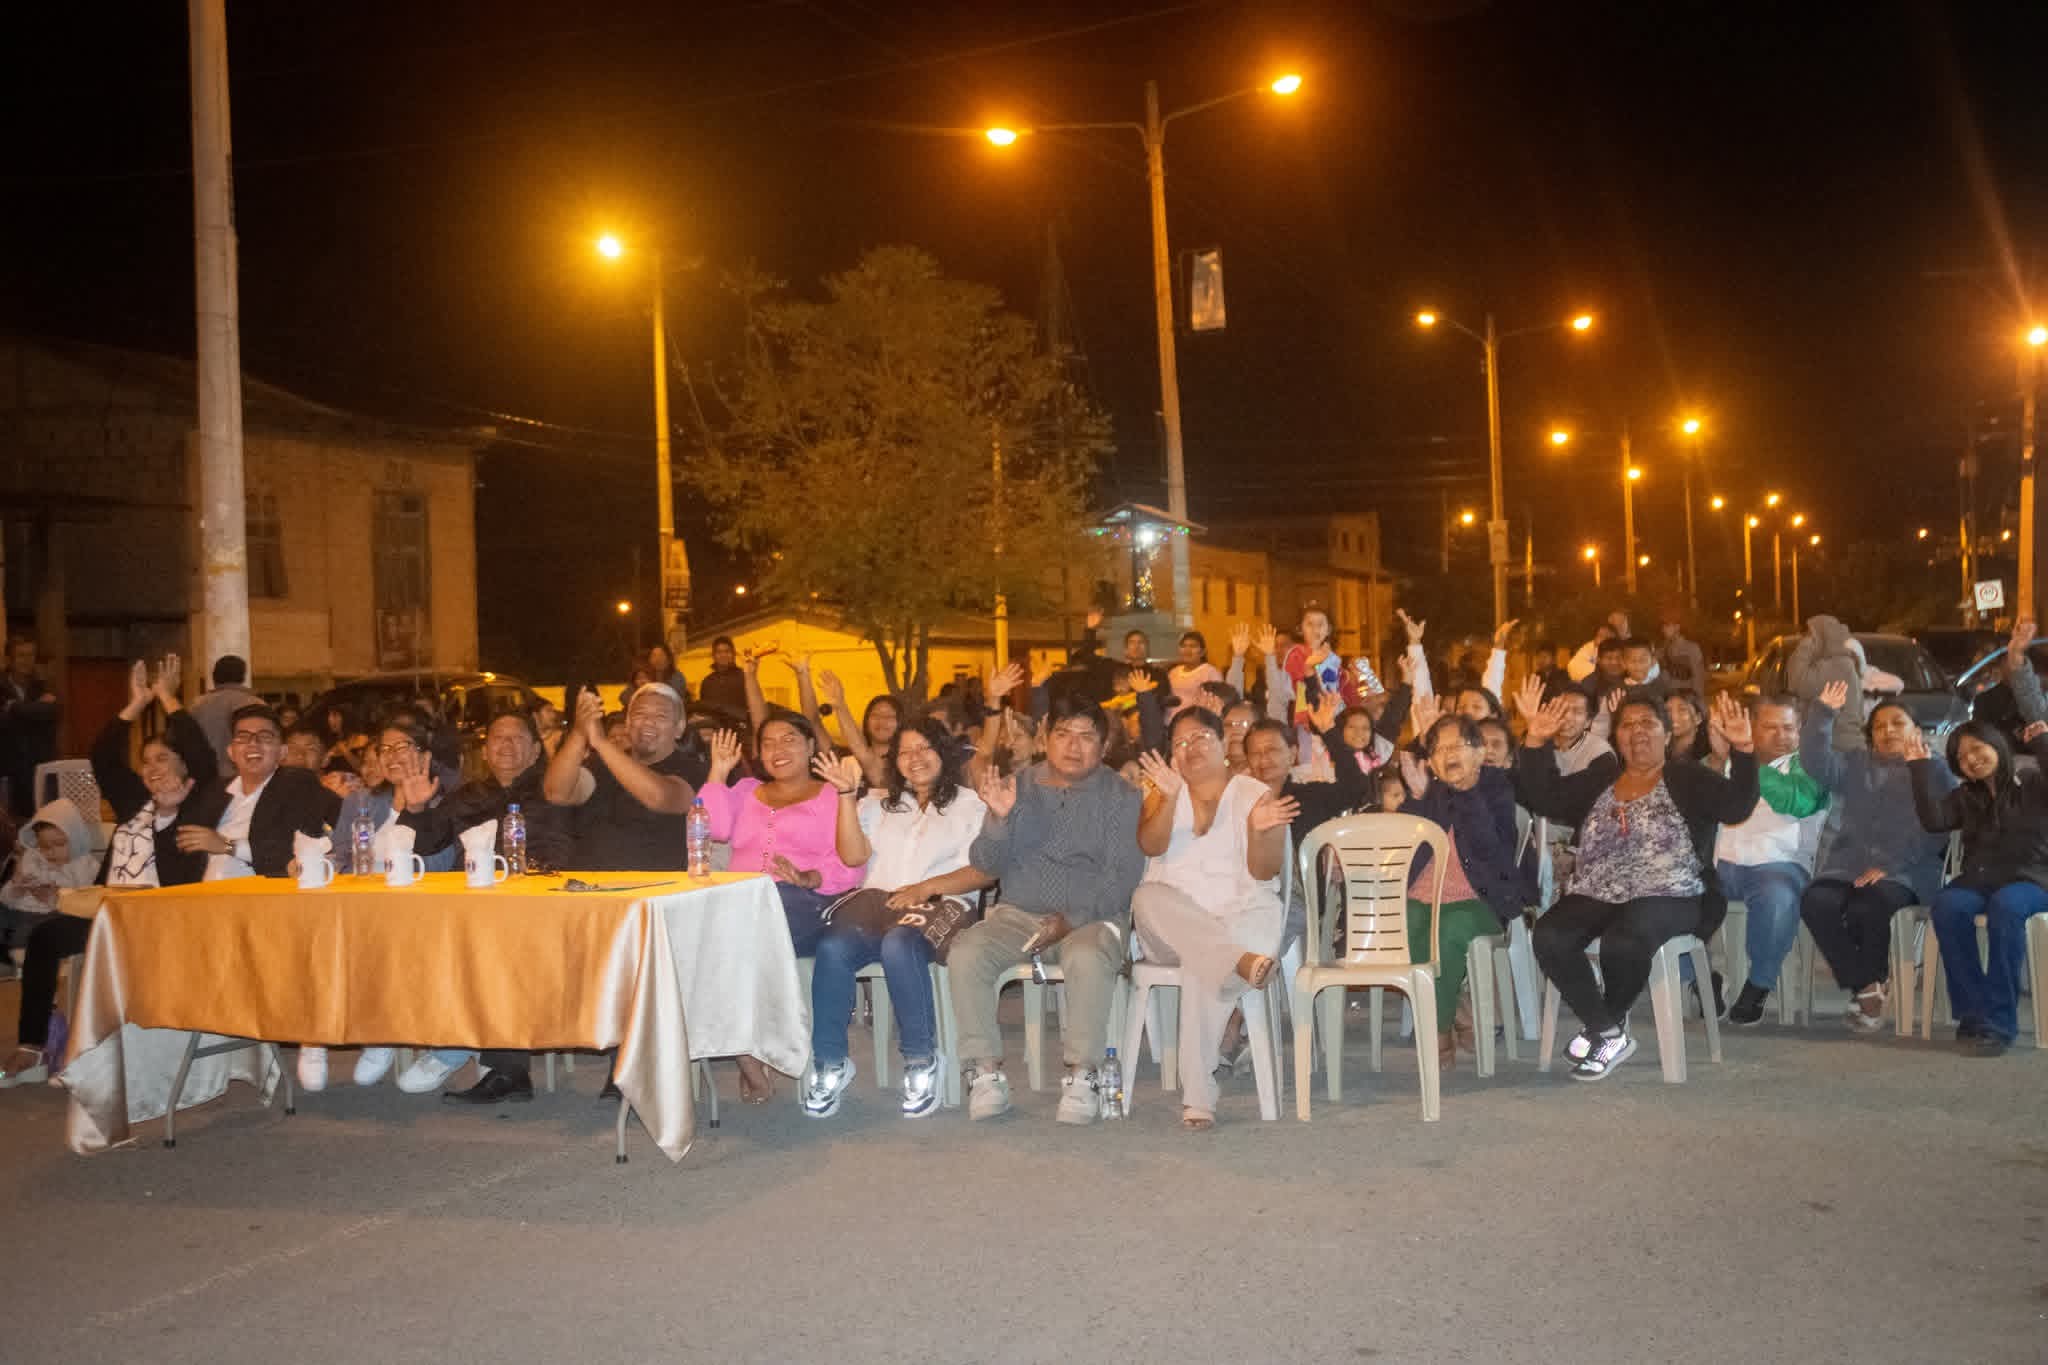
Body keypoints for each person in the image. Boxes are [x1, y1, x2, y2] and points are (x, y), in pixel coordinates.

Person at [450, 682, 706, 1105]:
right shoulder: (604, 764)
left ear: (679, 727)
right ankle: (508, 1069)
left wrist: (601, 743)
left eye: (659, 716)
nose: (646, 723)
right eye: (639, 714)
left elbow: (660, 797)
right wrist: (580, 733)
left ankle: (626, 1068)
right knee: (509, 947)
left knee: (625, 953)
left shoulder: (690, 766)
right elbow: (557, 791)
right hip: (583, 894)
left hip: (652, 899)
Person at [1517, 689, 1757, 1080]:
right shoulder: (1602, 778)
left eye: (1648, 722)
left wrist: (1744, 751)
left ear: (1667, 733)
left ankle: (1604, 1028)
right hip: (1599, 890)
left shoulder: (1686, 776)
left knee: (1624, 940)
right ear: (1616, 737)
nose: (1637, 731)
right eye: (1627, 724)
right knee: (1549, 934)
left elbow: (1736, 807)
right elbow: (1545, 797)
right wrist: (1535, 741)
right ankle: (1608, 1031)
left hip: (1672, 891)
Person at [2, 657, 216, 1088]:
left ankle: (95, 1055)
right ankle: (33, 1046)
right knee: (46, 937)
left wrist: (168, 698)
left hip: (157, 916)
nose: (152, 768)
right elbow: (102, 756)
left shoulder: (197, 802)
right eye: (146, 761)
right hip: (106, 908)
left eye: (163, 759)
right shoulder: (135, 801)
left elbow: (202, 756)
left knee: (101, 948)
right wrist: (135, 704)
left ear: (184, 768)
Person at [951, 692, 1144, 1125]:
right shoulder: (1017, 785)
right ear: (1045, 738)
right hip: (1020, 915)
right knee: (967, 952)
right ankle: (984, 1072)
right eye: (1063, 734)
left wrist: (1071, 920)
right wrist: (999, 819)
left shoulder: (1122, 795)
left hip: (1092, 917)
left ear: (1104, 746)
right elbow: (987, 864)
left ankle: (1082, 1074)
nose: (1073, 746)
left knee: (1087, 955)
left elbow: (1122, 877)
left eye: (1086, 737)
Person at [800, 717, 991, 1120]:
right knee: (832, 947)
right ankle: (830, 1062)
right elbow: (853, 856)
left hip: (944, 901)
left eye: (925, 748)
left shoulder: (971, 805)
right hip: (878, 903)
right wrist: (846, 797)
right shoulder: (878, 804)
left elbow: (985, 871)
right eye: (905, 752)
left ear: (944, 753)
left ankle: (921, 1059)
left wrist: (926, 888)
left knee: (899, 944)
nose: (915, 758)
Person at [389, 708, 575, 1095]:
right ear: (485, 751)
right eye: (497, 738)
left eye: (517, 738)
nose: (506, 745)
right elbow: (424, 844)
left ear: (536, 750)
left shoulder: (557, 791)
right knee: (417, 935)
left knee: (501, 944)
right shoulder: (467, 796)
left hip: (541, 908)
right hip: (472, 909)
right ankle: (464, 1045)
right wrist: (417, 808)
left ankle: (475, 1057)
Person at [1130, 708, 1292, 1129]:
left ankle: (1199, 1098)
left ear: (1224, 744)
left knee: (1206, 959)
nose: (1191, 748)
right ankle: (1237, 961)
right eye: (1180, 743)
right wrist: (1168, 798)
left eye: (1201, 737)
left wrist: (1259, 832)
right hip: (1171, 924)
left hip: (1240, 918)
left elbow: (1264, 872)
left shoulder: (1253, 793)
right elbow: (1150, 845)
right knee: (1147, 896)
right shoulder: (1163, 789)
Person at [699, 711, 865, 1102]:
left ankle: (752, 1044)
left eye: (789, 739)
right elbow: (712, 829)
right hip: (738, 900)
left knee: (732, 943)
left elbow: (852, 866)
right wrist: (718, 772)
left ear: (810, 746)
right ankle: (746, 1047)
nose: (778, 749)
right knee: (701, 936)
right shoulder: (745, 790)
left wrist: (809, 877)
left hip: (800, 901)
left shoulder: (831, 795)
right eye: (769, 742)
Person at [300, 709, 459, 1092]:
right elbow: (340, 853)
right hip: (358, 906)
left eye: (402, 747)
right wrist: (315, 861)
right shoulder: (361, 801)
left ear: (425, 754)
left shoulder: (447, 801)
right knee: (312, 932)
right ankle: (313, 1033)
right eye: (384, 749)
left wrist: (417, 810)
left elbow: (440, 868)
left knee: (382, 939)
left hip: (418, 913)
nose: (391, 756)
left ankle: (382, 1031)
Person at [1910, 637, 2048, 1055]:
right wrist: (1919, 768)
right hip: (1981, 879)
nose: (1971, 759)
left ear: (1997, 745)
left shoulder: (2031, 783)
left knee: (2007, 906)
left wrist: (2042, 742)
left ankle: (2000, 1023)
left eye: (1977, 749)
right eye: (1962, 758)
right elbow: (1934, 820)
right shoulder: (1965, 796)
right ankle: (1973, 1014)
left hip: (2032, 879)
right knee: (1948, 906)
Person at [1799, 678, 1956, 1032]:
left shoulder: (1934, 769)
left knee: (1867, 905)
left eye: (1898, 724)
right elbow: (1815, 762)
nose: (1888, 731)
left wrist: (1890, 865)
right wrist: (1822, 714)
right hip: (1847, 866)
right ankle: (1868, 985)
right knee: (1815, 901)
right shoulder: (1855, 764)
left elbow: (1940, 829)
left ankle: (1867, 993)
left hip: (1909, 870)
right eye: (1880, 727)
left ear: (1917, 731)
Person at [1390, 714, 1523, 1070]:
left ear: (1479, 753)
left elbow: (1492, 848)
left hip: (1478, 900)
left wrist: (1467, 793)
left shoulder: (1496, 787)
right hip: (1424, 894)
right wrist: (1417, 799)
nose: (1447, 754)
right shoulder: (1430, 789)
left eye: (1456, 746)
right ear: (1431, 761)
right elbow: (1407, 845)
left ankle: (1437, 1032)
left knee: (1447, 931)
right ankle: (1456, 1015)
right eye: (1439, 749)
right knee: (1405, 923)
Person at [1710, 695, 1829, 1026]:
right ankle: (1701, 979)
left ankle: (1759, 983)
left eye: (1789, 728)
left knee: (1777, 899)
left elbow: (1797, 801)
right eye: (1770, 727)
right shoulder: (1723, 760)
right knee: (1672, 895)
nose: (1781, 736)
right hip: (1722, 863)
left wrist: (1745, 759)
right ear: (1751, 727)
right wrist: (1721, 760)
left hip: (1780, 864)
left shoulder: (1813, 765)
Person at [177, 702, 332, 883]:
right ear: (231, 752)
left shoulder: (297, 784)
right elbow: (184, 851)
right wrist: (168, 811)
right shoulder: (215, 792)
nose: (253, 743)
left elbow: (291, 853)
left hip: (262, 896)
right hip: (204, 894)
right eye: (243, 737)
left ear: (282, 752)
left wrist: (227, 846)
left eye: (264, 737)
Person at [0, 797, 96, 957]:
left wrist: (57, 897)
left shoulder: (83, 864)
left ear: (75, 839)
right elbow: (5, 897)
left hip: (52, 914)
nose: (52, 852)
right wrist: (17, 889)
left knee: (31, 933)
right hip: (18, 909)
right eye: (44, 846)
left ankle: (15, 946)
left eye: (59, 844)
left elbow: (87, 900)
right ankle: (9, 945)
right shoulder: (32, 857)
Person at [0, 634, 60, 819]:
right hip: (7, 769)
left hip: (38, 767)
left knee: (41, 821)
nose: (27, 660)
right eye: (21, 655)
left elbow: (52, 713)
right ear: (9, 659)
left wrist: (15, 708)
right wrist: (35, 710)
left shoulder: (42, 686)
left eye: (31, 655)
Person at [1788, 613, 1866, 751]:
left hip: (1837, 746)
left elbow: (1797, 681)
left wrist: (1808, 643)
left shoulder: (1838, 665)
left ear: (1822, 637)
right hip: (1844, 745)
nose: (1804, 637)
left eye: (1810, 634)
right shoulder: (1843, 663)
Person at [185, 654, 262, 771]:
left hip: (205, 774)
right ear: (243, 677)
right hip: (245, 774)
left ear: (214, 677)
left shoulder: (197, 705)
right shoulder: (256, 704)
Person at [1166, 631, 1223, 714]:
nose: (1187, 650)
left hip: (1195, 720)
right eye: (1183, 646)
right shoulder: (1173, 672)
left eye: (1193, 646)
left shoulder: (1210, 672)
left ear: (1202, 652)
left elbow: (1217, 702)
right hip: (1169, 720)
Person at [696, 635, 749, 723]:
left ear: (733, 654)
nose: (723, 655)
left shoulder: (744, 676)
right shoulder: (707, 682)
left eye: (727, 651)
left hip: (739, 727)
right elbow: (704, 710)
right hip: (714, 728)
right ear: (713, 656)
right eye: (719, 652)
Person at [1658, 611, 1706, 700]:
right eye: (1663, 626)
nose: (1664, 630)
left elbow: (1698, 679)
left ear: (1677, 627)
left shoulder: (1691, 648)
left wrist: (1698, 702)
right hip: (1667, 700)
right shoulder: (1661, 651)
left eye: (1667, 626)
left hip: (1687, 698)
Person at [1666, 692, 1710, 762]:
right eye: (1667, 710)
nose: (1673, 717)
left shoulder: (1709, 756)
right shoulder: (1659, 751)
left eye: (1682, 710)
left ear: (1698, 718)